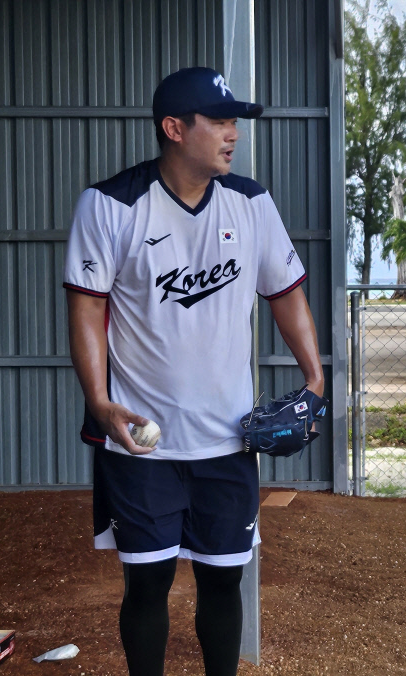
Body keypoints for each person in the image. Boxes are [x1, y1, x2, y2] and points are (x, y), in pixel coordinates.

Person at [64, 67, 324, 675]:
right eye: (221, 121)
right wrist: (99, 401)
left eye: (236, 121)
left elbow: (286, 292)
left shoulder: (251, 203)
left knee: (223, 581)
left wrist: (315, 380)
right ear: (175, 128)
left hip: (228, 439)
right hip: (141, 441)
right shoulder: (110, 204)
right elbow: (86, 310)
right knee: (147, 583)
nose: (234, 134)